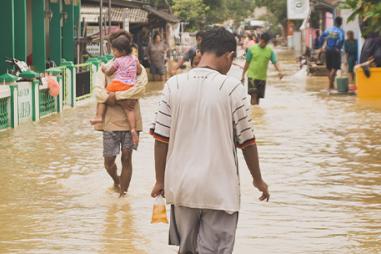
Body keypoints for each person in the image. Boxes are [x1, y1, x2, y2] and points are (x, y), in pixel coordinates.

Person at [150, 28, 270, 253]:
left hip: (182, 187)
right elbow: (247, 142)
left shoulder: (173, 85)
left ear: (200, 51)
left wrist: (159, 180)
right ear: (229, 56)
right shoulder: (233, 88)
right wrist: (258, 180)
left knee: (186, 249)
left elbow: (160, 140)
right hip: (219, 190)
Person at [90, 35, 141, 146]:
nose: (113, 52)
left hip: (118, 85)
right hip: (130, 88)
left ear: (121, 50)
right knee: (130, 110)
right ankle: (133, 129)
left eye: (114, 50)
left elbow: (108, 73)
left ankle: (99, 116)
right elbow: (139, 71)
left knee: (103, 96)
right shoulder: (134, 59)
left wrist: (104, 69)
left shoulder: (117, 61)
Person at [241, 32, 283, 105]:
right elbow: (247, 63)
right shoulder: (252, 49)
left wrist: (280, 71)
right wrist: (243, 75)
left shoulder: (270, 51)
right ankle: (254, 114)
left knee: (258, 98)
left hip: (262, 78)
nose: (263, 44)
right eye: (262, 41)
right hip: (252, 77)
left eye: (265, 42)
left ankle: (256, 114)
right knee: (254, 96)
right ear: (260, 39)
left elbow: (275, 62)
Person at [319, 16, 345, 91]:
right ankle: (330, 86)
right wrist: (338, 47)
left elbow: (321, 37)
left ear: (335, 22)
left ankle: (331, 85)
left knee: (329, 68)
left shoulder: (328, 29)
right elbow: (341, 39)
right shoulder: (340, 31)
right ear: (340, 23)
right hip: (335, 50)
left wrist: (321, 46)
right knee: (335, 68)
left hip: (327, 50)